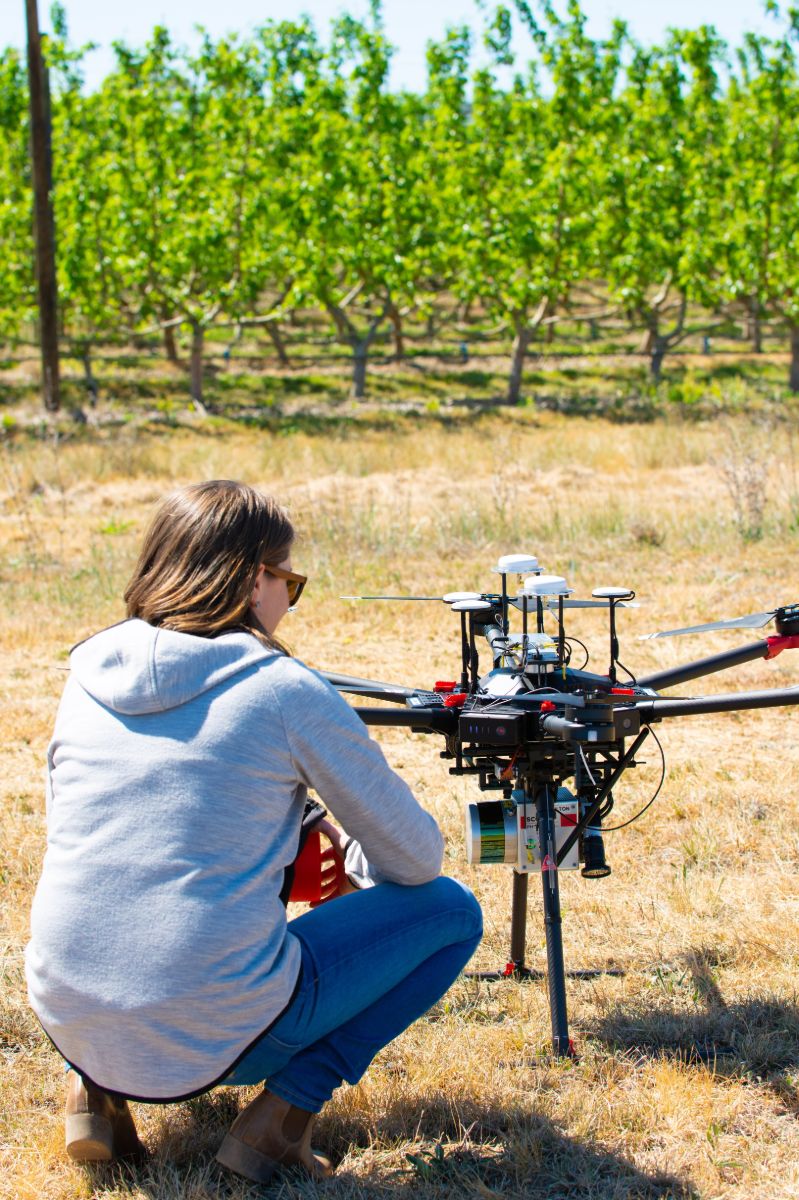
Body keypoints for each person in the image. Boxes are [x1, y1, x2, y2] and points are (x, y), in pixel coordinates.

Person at [25, 480, 483, 1184]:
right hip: (216, 1030)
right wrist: (348, 848)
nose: (288, 601)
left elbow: (93, 831)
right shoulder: (284, 688)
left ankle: (93, 1092)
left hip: (67, 1008)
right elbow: (415, 859)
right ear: (251, 578)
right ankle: (283, 1119)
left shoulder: (84, 671)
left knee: (113, 901)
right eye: (289, 582)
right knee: (451, 912)